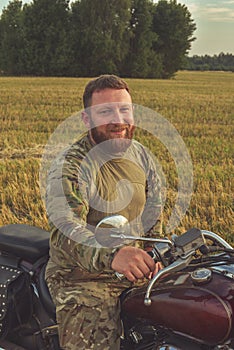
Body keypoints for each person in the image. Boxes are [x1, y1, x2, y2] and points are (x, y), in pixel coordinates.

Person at [45, 74, 163, 350]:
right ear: (87, 119)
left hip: (134, 270)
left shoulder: (142, 156)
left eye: (124, 109)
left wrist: (157, 255)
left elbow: (153, 221)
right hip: (83, 276)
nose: (118, 119)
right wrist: (113, 256)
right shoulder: (72, 165)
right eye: (105, 111)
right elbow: (66, 230)